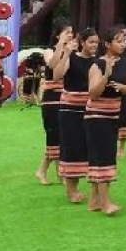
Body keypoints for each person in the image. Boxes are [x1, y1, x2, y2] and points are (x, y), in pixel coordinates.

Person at [86, 24, 126, 215]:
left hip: (113, 114)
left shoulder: (124, 63)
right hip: (97, 116)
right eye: (118, 41)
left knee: (104, 155)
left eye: (124, 41)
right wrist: (106, 76)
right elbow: (93, 93)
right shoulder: (97, 64)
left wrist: (121, 87)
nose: (123, 44)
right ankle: (105, 203)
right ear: (107, 44)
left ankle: (94, 201)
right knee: (103, 157)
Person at [54, 26, 99, 204]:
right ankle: (71, 190)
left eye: (96, 42)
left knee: (86, 148)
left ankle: (80, 188)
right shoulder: (72, 57)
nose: (94, 45)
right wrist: (66, 53)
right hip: (70, 110)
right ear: (82, 42)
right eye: (91, 42)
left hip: (89, 109)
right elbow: (57, 75)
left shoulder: (97, 62)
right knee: (72, 148)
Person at [36, 24, 71, 185]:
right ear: (57, 35)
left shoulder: (70, 52)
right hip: (52, 99)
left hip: (66, 97)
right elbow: (52, 64)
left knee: (62, 136)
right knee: (54, 136)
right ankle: (48, 171)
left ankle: (52, 171)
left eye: (71, 32)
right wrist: (61, 47)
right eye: (67, 32)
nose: (70, 35)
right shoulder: (49, 51)